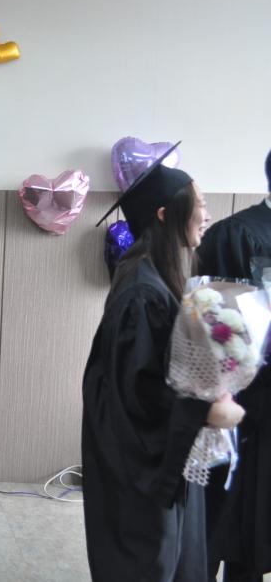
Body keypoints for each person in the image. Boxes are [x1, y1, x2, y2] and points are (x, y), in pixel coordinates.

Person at [82, 145, 246, 581]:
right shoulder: (143, 292)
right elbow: (139, 393)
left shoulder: (153, 275)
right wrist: (206, 410)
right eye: (201, 204)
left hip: (162, 462)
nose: (206, 215)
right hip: (142, 470)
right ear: (164, 213)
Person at [199, 148, 271, 582]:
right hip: (239, 401)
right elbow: (217, 326)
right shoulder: (237, 235)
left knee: (259, 525)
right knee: (221, 512)